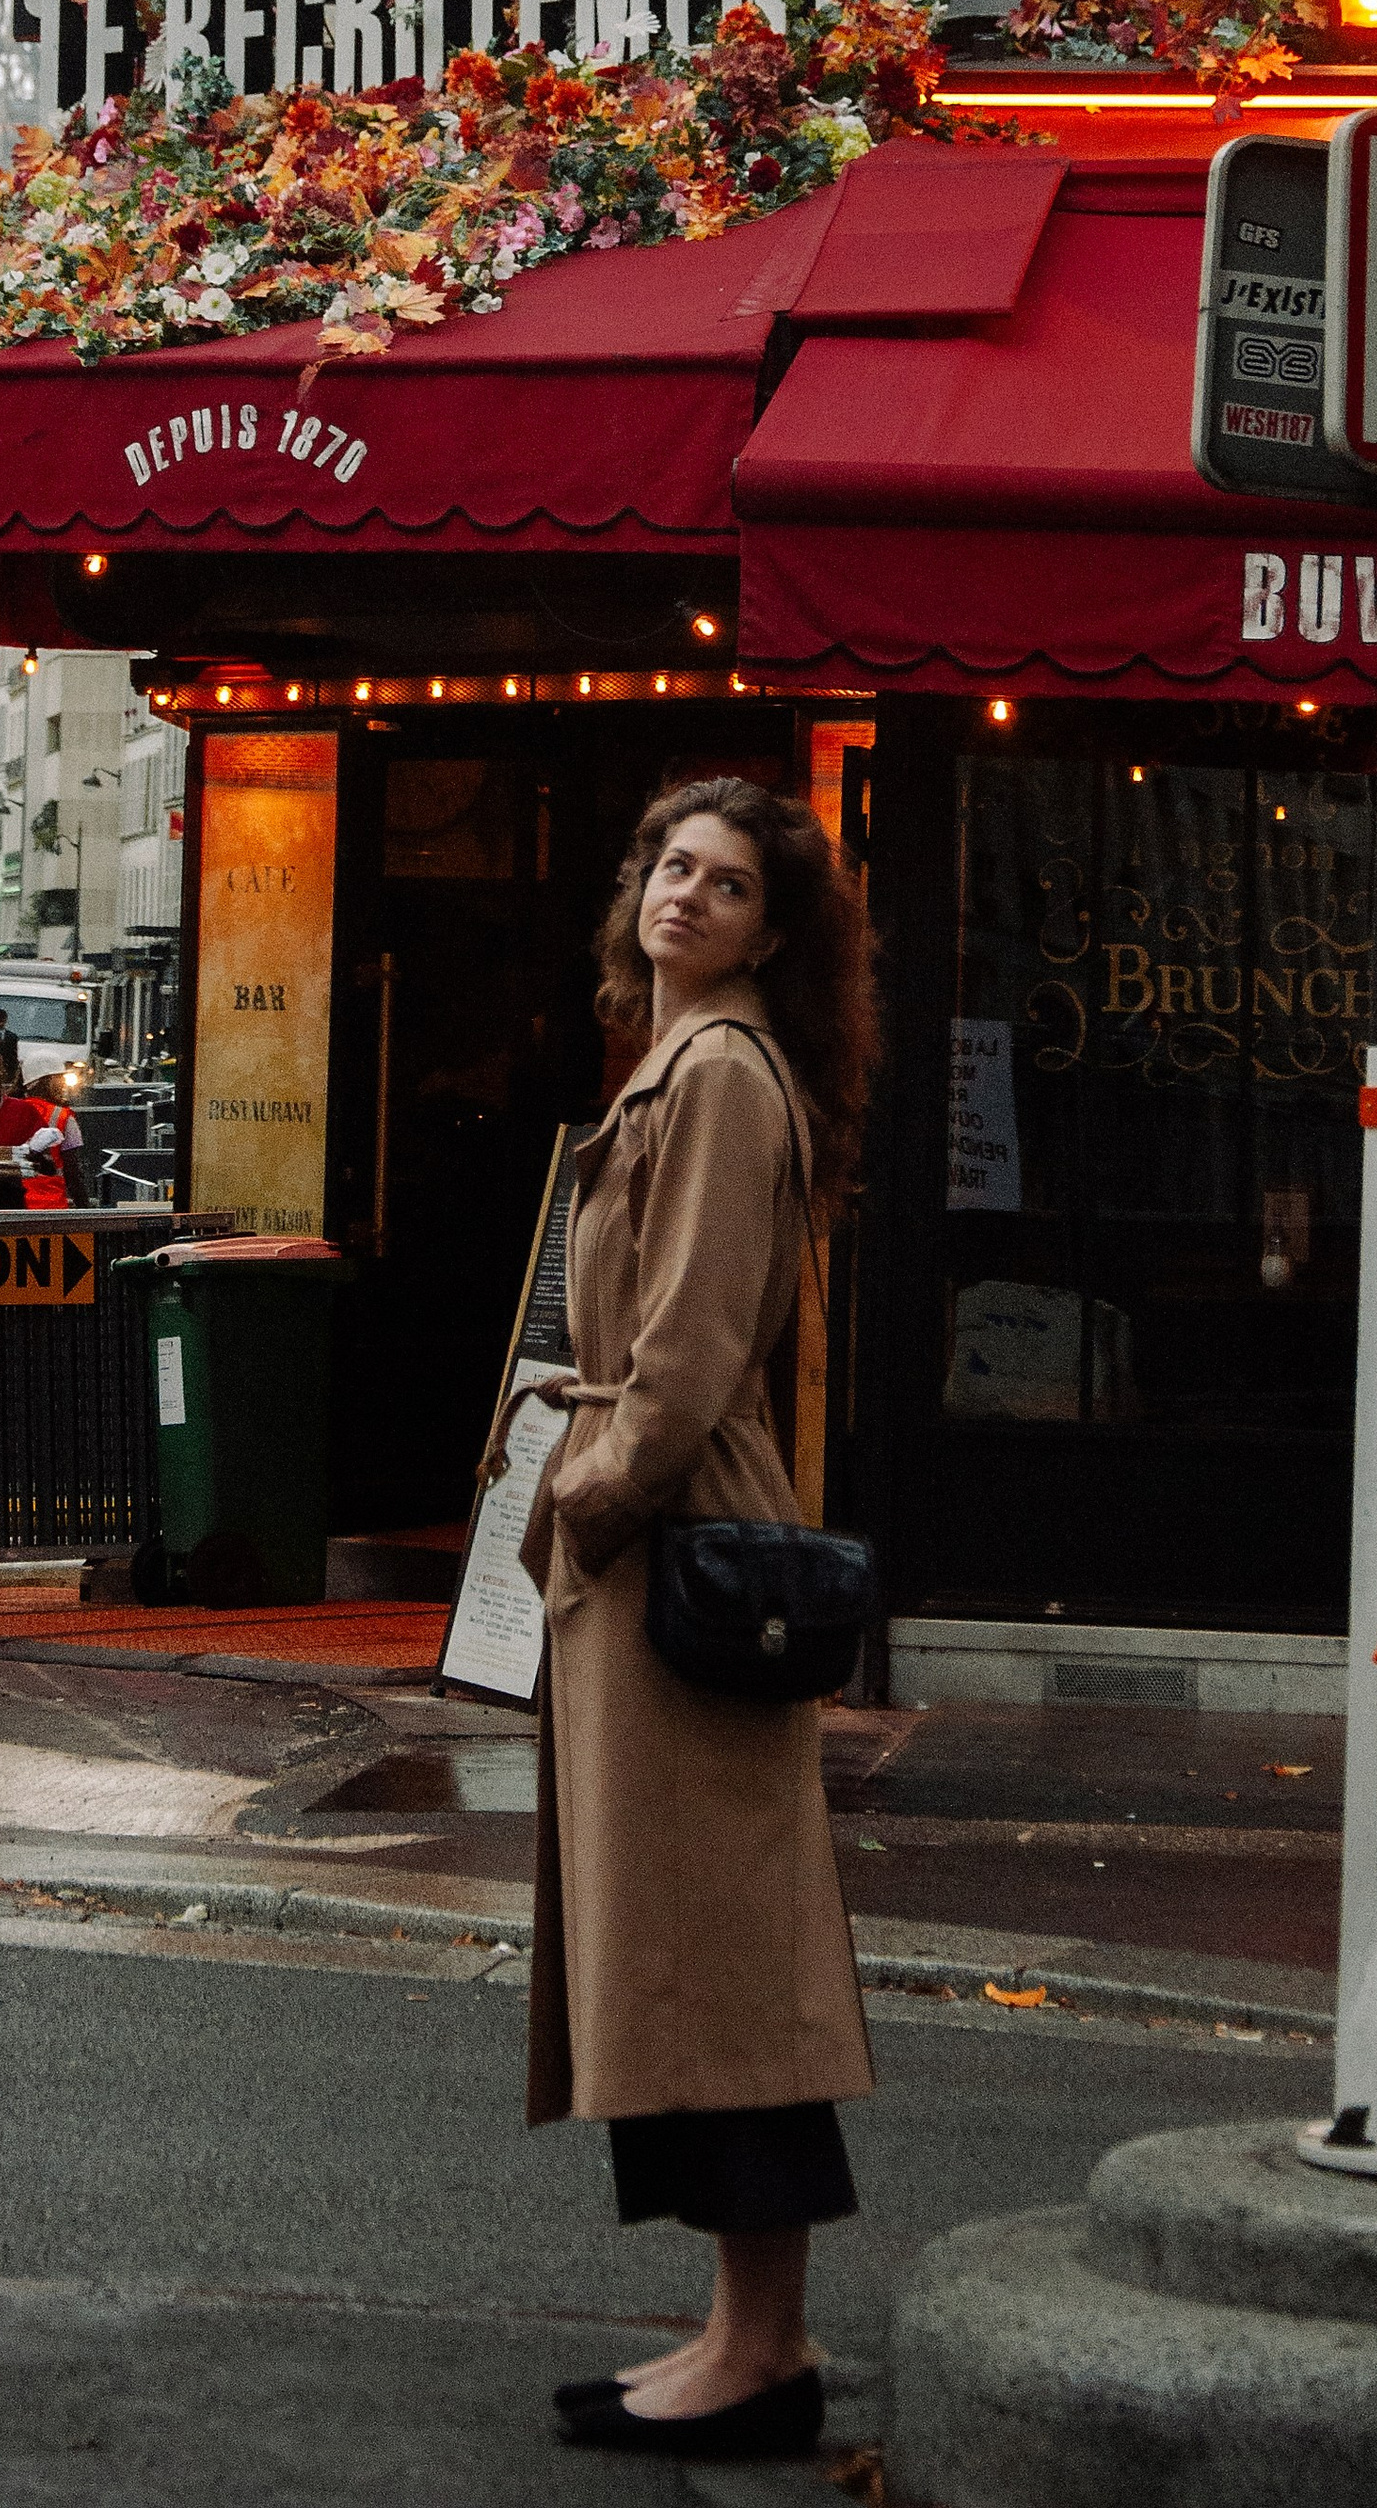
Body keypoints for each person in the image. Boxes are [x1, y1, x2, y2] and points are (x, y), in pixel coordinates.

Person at [515, 777, 878, 2463]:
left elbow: (688, 1349)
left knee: (728, 1969)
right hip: (655, 1546)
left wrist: (588, 1503)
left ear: (771, 933)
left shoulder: (723, 1075)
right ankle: (741, 2333)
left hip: (674, 1547)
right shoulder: (681, 1064)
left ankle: (765, 2354)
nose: (687, 896)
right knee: (686, 1962)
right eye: (671, 866)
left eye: (728, 885)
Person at [0, 1041, 80, 1210]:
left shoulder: (24, 1111)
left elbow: (50, 1165)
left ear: (4, 1073)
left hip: (12, 1202)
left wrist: (35, 1156)